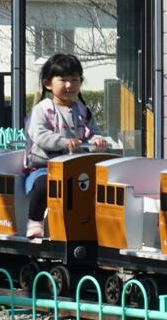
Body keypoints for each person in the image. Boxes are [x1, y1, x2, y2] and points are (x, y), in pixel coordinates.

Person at [24, 54, 107, 238]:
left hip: (75, 168)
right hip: (44, 166)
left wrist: (97, 141)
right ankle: (34, 220)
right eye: (63, 80)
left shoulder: (82, 111)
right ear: (48, 84)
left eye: (74, 80)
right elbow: (39, 135)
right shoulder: (42, 109)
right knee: (45, 185)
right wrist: (63, 142)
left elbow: (92, 132)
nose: (69, 85)